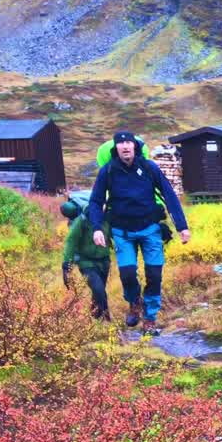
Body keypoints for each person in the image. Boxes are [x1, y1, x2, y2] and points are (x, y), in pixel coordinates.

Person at [86, 130, 190, 335]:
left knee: (154, 274)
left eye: (129, 143)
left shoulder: (149, 167)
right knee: (127, 273)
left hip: (150, 230)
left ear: (135, 146)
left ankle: (150, 319)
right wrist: (97, 228)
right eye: (121, 144)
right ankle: (134, 302)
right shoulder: (107, 171)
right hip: (122, 232)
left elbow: (169, 196)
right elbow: (96, 202)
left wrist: (182, 227)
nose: (125, 146)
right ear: (115, 148)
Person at [60, 192, 112, 321]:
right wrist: (67, 265)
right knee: (99, 291)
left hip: (104, 261)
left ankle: (94, 319)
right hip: (86, 262)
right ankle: (107, 321)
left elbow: (117, 234)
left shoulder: (107, 218)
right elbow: (71, 241)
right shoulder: (82, 220)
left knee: (98, 293)